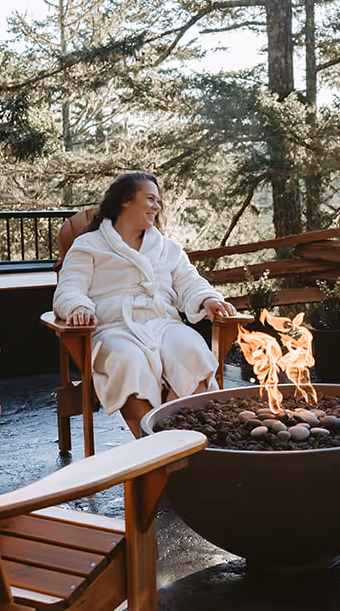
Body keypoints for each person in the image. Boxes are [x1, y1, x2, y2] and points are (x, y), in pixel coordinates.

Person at [52, 171, 238, 436]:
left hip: (163, 323)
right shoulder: (88, 245)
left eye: (158, 201)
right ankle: (155, 445)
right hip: (113, 327)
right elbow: (69, 287)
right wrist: (78, 307)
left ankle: (179, 440)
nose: (156, 207)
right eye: (150, 199)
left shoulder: (167, 248)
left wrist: (208, 299)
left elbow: (190, 282)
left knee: (192, 350)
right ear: (126, 200)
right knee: (128, 361)